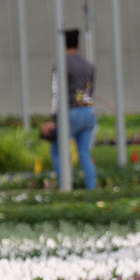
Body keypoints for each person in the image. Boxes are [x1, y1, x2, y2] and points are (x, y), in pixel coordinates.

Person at [50, 28, 97, 189]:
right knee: (84, 153)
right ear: (77, 43)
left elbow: (56, 94)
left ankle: (65, 187)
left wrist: (53, 120)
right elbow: (91, 91)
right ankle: (91, 188)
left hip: (70, 113)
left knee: (57, 150)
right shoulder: (88, 65)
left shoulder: (61, 64)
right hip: (88, 112)